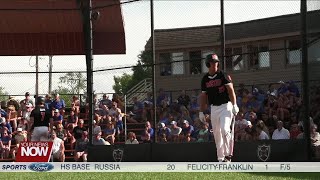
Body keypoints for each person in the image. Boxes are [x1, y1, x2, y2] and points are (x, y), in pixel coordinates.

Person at [199, 53, 239, 162]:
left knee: (225, 129)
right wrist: (201, 111)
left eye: (216, 62)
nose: (215, 64)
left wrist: (234, 104)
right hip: (214, 108)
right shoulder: (205, 79)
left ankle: (228, 155)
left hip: (226, 106)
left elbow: (231, 90)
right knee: (216, 134)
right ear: (208, 64)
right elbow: (203, 96)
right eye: (212, 62)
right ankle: (220, 158)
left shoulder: (223, 75)